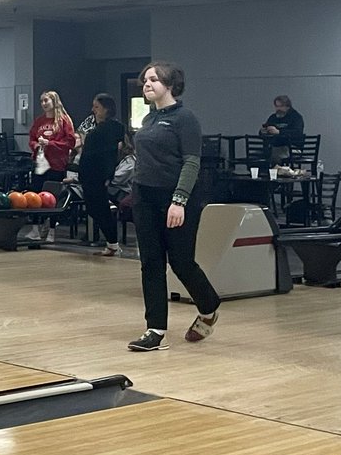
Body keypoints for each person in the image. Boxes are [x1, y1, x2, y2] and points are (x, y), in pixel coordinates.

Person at [127, 62, 221, 352]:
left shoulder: (185, 119)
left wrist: (178, 200)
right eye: (145, 80)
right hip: (145, 197)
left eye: (154, 79)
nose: (147, 84)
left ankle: (209, 305)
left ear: (170, 85)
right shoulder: (149, 120)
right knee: (151, 263)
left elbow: (191, 161)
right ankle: (155, 330)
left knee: (181, 262)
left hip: (175, 200)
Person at [78, 93, 126, 257]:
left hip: (95, 175)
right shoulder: (112, 129)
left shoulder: (101, 132)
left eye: (97, 107)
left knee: (97, 209)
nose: (93, 110)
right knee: (96, 209)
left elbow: (103, 156)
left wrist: (106, 175)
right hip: (97, 175)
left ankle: (112, 244)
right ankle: (112, 243)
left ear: (106, 110)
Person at [27, 91, 75, 242]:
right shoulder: (39, 121)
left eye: (46, 100)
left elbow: (70, 142)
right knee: (35, 195)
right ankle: (35, 229)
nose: (43, 104)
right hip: (40, 163)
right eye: (41, 101)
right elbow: (32, 138)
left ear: (54, 101)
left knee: (52, 197)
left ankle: (52, 230)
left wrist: (51, 144)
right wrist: (36, 145)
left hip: (56, 164)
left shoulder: (63, 121)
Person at [259, 95, 305, 163]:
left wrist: (279, 132)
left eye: (281, 106)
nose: (278, 109)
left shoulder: (296, 117)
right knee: (255, 156)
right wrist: (263, 131)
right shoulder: (273, 118)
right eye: (277, 106)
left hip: (291, 147)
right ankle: (262, 173)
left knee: (274, 155)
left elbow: (297, 133)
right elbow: (265, 128)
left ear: (288, 106)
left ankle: (275, 172)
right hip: (273, 147)